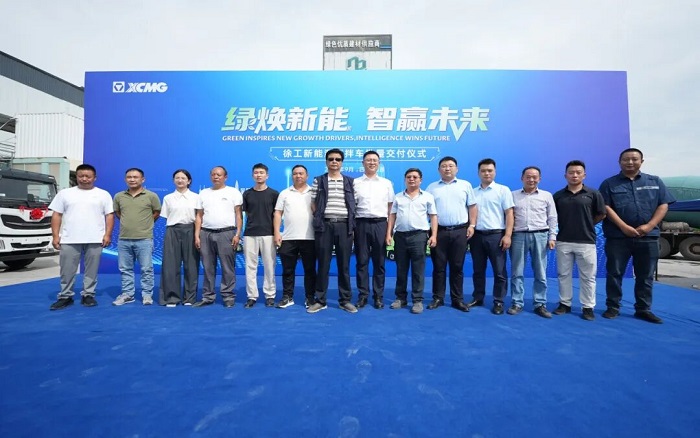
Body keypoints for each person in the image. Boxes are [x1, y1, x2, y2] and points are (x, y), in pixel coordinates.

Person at [599, 148, 674, 324]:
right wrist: (624, 227)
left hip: (648, 237)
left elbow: (663, 204)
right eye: (626, 159)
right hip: (618, 237)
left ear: (642, 161)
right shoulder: (609, 184)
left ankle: (643, 309)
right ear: (619, 162)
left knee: (645, 275)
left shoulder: (654, 181)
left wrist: (649, 226)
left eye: (634, 159)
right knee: (615, 273)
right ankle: (613, 307)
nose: (630, 162)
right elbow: (606, 207)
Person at [48, 164, 114, 310]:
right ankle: (65, 296)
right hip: (69, 238)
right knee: (67, 270)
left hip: (95, 238)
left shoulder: (103, 194)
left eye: (88, 176)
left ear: (94, 178)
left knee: (92, 269)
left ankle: (88, 294)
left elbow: (109, 215)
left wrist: (107, 234)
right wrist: (55, 236)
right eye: (81, 176)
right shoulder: (65, 194)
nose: (84, 179)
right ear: (76, 177)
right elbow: (57, 215)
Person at [552, 160, 606, 321]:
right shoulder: (558, 196)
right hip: (563, 241)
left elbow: (601, 214)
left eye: (578, 172)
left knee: (588, 276)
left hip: (586, 241)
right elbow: (553, 217)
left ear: (584, 175)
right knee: (563, 274)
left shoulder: (593, 194)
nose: (574, 175)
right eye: (571, 172)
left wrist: (587, 224)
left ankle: (588, 307)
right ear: (565, 175)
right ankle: (564, 303)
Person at [307, 148, 356, 314]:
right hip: (324, 226)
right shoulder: (319, 180)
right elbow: (313, 203)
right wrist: (321, 217)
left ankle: (345, 300)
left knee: (344, 265)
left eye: (337, 159)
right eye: (331, 159)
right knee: (323, 264)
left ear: (342, 162)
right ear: (326, 162)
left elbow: (354, 204)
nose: (334, 162)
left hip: (344, 226)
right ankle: (320, 300)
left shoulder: (350, 182)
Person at [426, 156, 477, 312]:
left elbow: (472, 206)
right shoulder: (432, 187)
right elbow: (426, 210)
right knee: (438, 267)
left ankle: (457, 299)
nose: (447, 168)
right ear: (438, 170)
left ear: (457, 169)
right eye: (444, 166)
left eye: (450, 166)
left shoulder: (465, 185)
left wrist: (472, 225)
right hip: (439, 232)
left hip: (460, 231)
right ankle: (438, 298)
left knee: (457, 267)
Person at [386, 168, 438, 314]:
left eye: (415, 177)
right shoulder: (398, 197)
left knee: (418, 270)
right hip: (400, 236)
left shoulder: (427, 197)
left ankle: (417, 300)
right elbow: (392, 216)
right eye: (409, 177)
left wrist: (434, 235)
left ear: (421, 180)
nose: (412, 179)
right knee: (401, 269)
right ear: (405, 179)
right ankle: (400, 298)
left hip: (419, 236)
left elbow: (433, 216)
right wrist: (389, 234)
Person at [509, 166, 558, 318]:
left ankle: (540, 304)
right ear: (522, 178)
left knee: (540, 272)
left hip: (541, 236)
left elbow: (552, 218)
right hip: (518, 236)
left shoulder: (546, 196)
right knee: (517, 272)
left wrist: (552, 237)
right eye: (528, 177)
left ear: (539, 179)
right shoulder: (512, 195)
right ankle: (517, 302)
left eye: (534, 177)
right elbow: (508, 217)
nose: (531, 179)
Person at [193, 166, 243, 308]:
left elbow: (238, 215)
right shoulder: (203, 193)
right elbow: (199, 216)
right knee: (208, 266)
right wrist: (197, 235)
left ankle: (228, 296)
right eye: (213, 174)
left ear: (225, 177)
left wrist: (237, 234)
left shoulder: (233, 192)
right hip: (205, 233)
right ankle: (208, 296)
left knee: (227, 267)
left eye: (219, 175)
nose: (216, 177)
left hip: (227, 233)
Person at [468, 158, 514, 315]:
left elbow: (509, 214)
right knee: (478, 270)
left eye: (490, 170)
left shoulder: (503, 190)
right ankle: (478, 297)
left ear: (495, 172)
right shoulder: (472, 192)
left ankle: (498, 301)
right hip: (477, 236)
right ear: (478, 173)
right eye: (483, 171)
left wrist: (508, 235)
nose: (486, 173)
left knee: (499, 271)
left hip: (496, 236)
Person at [112, 168, 161, 306]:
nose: (132, 179)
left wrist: (145, 224)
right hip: (124, 239)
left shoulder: (151, 196)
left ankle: (147, 295)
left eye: (135, 177)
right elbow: (118, 213)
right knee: (125, 269)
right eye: (129, 177)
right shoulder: (119, 196)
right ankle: (128, 294)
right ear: (125, 179)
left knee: (146, 269)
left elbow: (156, 212)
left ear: (142, 179)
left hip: (144, 239)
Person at [353, 150, 394, 309]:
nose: (371, 162)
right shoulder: (355, 183)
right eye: (368, 160)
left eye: (374, 160)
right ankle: (363, 295)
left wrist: (389, 231)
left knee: (379, 262)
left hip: (380, 224)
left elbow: (391, 208)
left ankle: (378, 296)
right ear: (363, 163)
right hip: (361, 224)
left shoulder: (386, 183)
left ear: (379, 163)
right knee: (361, 262)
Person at [273, 164, 316, 309]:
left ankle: (310, 298)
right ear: (292, 176)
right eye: (295, 173)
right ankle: (287, 296)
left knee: (310, 270)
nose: (298, 176)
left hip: (310, 238)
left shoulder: (314, 193)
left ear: (307, 176)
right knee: (288, 270)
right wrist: (277, 232)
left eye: (301, 173)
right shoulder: (285, 193)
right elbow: (278, 213)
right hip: (288, 238)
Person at [159, 169, 200, 307]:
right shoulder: (168, 198)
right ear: (173, 180)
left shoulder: (196, 197)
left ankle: (190, 298)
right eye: (177, 178)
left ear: (189, 181)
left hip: (191, 230)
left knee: (191, 265)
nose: (180, 180)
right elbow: (166, 216)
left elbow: (199, 217)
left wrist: (197, 235)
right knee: (170, 265)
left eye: (183, 178)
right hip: (172, 231)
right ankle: (172, 297)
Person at [242, 163, 279, 308]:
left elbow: (277, 215)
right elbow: (245, 214)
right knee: (250, 266)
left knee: (269, 266)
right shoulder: (247, 194)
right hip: (250, 234)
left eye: (261, 172)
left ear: (267, 176)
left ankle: (270, 295)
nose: (259, 175)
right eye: (256, 173)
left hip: (268, 234)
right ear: (253, 175)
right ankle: (252, 296)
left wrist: (276, 233)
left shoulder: (274, 194)